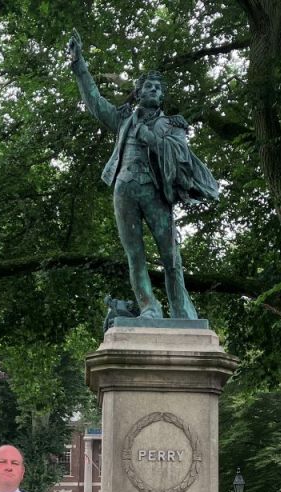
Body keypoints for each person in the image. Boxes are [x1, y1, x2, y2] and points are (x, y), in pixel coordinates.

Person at [66, 30, 219, 320]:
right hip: (123, 188)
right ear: (138, 91)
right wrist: (79, 63)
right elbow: (96, 102)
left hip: (155, 191)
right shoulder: (124, 118)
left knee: (171, 256)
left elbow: (181, 156)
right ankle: (149, 308)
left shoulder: (173, 126)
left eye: (158, 89)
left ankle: (182, 312)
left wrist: (152, 139)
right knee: (134, 255)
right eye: (148, 87)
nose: (154, 91)